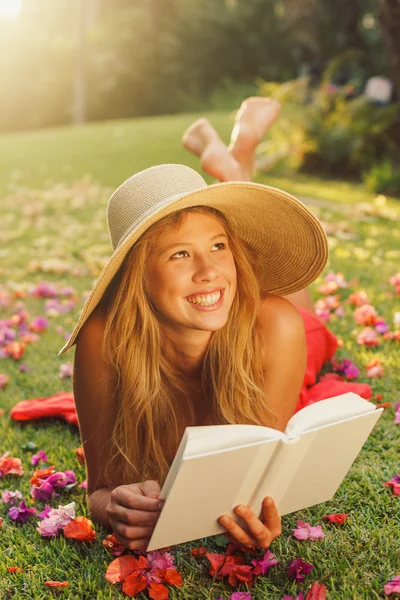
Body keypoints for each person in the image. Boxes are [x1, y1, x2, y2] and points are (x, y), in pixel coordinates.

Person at [61, 156, 328, 552]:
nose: (209, 270)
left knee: (304, 319)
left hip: (271, 340)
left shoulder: (277, 326)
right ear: (138, 275)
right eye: (180, 254)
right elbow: (100, 488)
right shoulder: (105, 336)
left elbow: (258, 480)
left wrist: (258, 510)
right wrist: (116, 507)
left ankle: (240, 163)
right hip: (226, 317)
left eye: (219, 245)